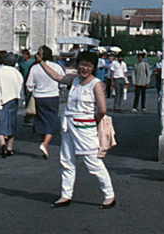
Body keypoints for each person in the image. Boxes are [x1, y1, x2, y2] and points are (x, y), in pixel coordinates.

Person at [52, 51, 115, 209]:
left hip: (85, 126)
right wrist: (41, 63)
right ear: (77, 65)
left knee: (93, 162)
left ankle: (109, 195)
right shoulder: (74, 80)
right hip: (69, 125)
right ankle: (66, 195)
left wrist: (92, 120)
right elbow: (58, 77)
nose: (84, 68)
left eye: (88, 65)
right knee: (67, 161)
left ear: (93, 67)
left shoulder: (96, 84)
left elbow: (102, 109)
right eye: (82, 64)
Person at [26, 46, 63, 156]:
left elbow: (29, 84)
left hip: (39, 97)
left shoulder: (35, 68)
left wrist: (32, 91)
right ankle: (45, 144)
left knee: (41, 120)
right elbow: (62, 82)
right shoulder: (57, 67)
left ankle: (43, 142)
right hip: (52, 96)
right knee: (51, 121)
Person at [0, 51, 25, 157]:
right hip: (13, 100)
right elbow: (21, 86)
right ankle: (10, 148)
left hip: (0, 99)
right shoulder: (16, 73)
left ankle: (2, 145)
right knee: (11, 122)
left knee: (0, 122)